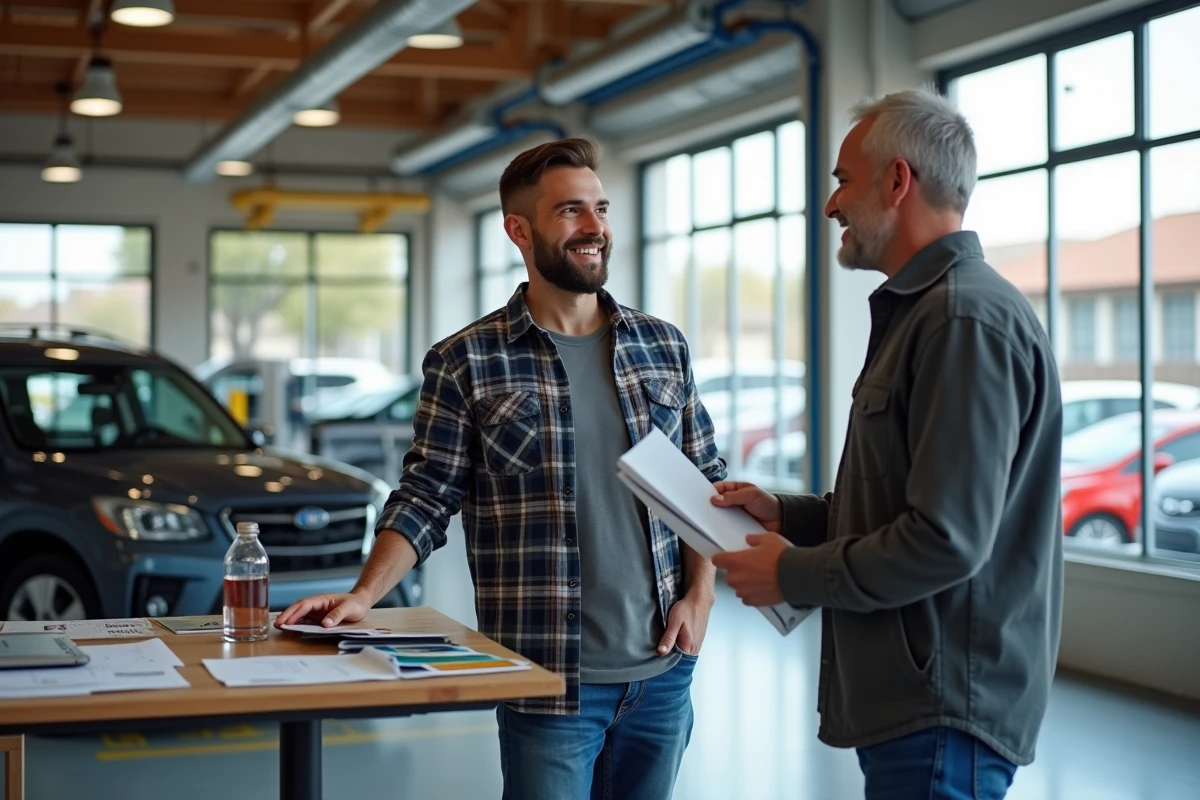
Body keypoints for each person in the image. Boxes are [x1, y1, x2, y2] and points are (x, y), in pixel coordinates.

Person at [276, 138, 725, 800]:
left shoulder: (662, 346)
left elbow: (702, 481)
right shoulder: (467, 360)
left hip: (664, 671)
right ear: (519, 230)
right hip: (547, 679)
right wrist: (365, 595)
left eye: (600, 208)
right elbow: (426, 496)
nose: (595, 226)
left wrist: (701, 593)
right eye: (570, 211)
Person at [711, 89, 1064, 799]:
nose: (831, 205)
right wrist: (791, 516)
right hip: (920, 702)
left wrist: (793, 574)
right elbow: (907, 500)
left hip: (942, 709)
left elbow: (945, 540)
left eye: (843, 181)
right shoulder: (929, 313)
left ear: (898, 181)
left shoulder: (961, 320)